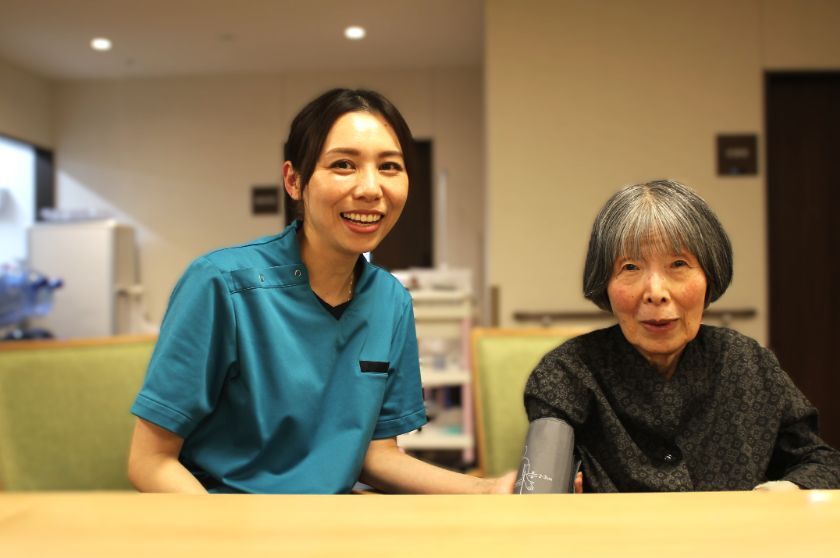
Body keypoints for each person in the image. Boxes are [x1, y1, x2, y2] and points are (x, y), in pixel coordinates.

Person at [128, 88, 514, 494]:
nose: (370, 189)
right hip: (229, 516)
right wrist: (225, 531)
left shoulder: (391, 300)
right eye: (344, 164)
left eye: (389, 167)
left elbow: (376, 456)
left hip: (333, 520)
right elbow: (150, 461)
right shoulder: (221, 284)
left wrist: (486, 491)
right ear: (294, 181)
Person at [524, 179, 840, 492]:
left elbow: (821, 462)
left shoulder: (749, 365)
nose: (656, 292)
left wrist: (783, 491)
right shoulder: (569, 372)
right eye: (630, 267)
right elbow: (538, 486)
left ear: (709, 275)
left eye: (678, 263)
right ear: (604, 282)